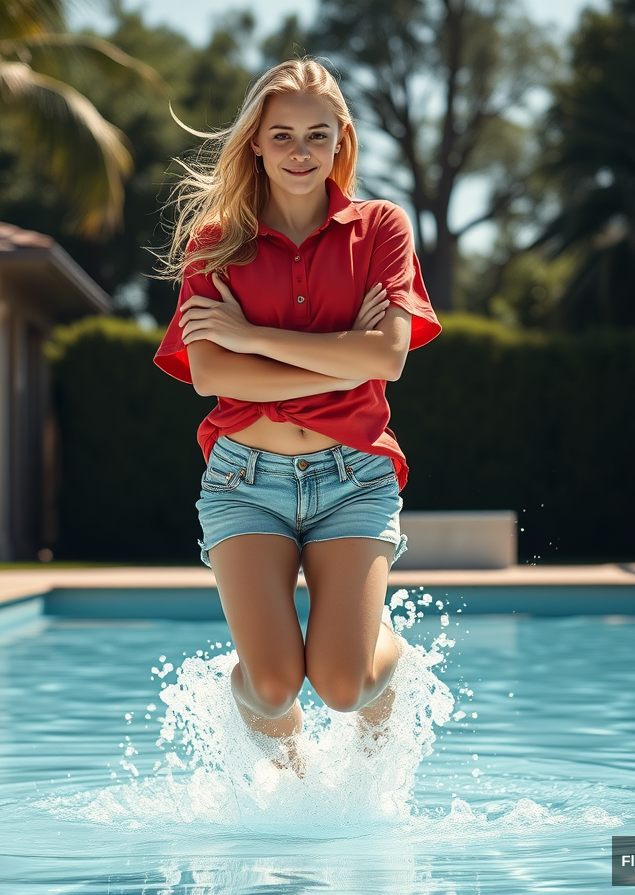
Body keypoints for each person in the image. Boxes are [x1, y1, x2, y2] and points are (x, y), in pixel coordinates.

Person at [154, 59, 440, 768]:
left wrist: (250, 339)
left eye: (318, 135)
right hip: (243, 481)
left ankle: (386, 653)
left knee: (342, 687)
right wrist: (341, 351)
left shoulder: (381, 228)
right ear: (254, 141)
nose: (300, 153)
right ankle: (294, 770)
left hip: (355, 479)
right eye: (282, 136)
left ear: (341, 139)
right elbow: (209, 377)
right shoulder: (215, 242)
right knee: (275, 688)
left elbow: (390, 359)